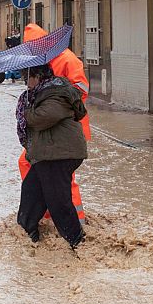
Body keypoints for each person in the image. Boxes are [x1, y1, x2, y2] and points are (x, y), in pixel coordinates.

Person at [20, 24, 90, 224]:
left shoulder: (67, 59)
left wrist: (56, 98)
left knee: (62, 175)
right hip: (46, 127)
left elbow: (81, 89)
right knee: (29, 163)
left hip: (66, 128)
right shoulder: (38, 63)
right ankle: (46, 212)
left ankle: (75, 218)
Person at [16, 64, 88, 249]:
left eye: (27, 78)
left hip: (59, 154)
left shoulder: (55, 92)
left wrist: (26, 111)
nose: (26, 83)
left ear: (38, 76)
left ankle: (78, 242)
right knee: (32, 192)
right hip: (47, 154)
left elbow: (43, 118)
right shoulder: (42, 93)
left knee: (58, 201)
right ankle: (26, 233)